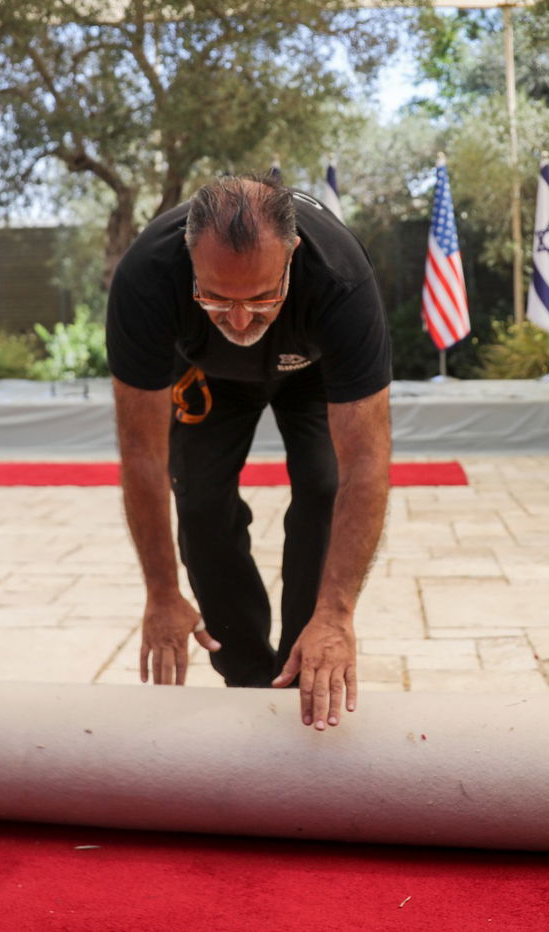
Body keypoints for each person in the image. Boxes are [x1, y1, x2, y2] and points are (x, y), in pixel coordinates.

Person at [105, 173, 391, 731]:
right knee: (202, 501)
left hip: (310, 371)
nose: (239, 320)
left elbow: (366, 464)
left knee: (324, 485)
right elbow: (142, 456)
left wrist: (336, 615)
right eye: (216, 296)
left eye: (261, 297)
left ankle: (306, 661)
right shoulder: (146, 277)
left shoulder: (340, 278)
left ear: (293, 256)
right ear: (189, 259)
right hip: (207, 371)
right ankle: (247, 675)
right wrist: (162, 593)